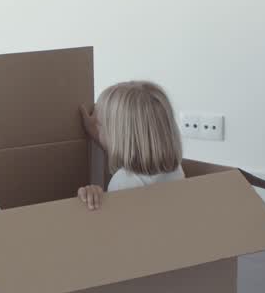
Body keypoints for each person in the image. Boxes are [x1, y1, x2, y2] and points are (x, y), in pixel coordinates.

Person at [75, 80, 185, 210]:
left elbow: (113, 224)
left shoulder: (124, 181)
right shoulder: (175, 170)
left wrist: (96, 198)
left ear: (117, 138)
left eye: (100, 125)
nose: (97, 130)